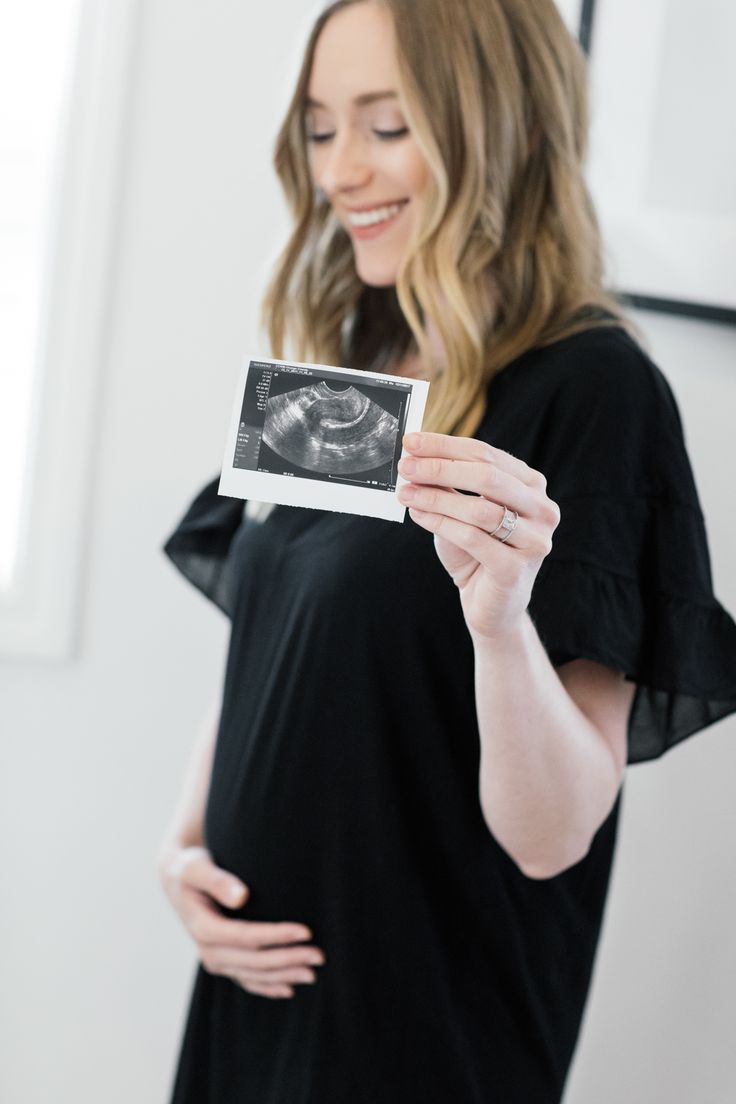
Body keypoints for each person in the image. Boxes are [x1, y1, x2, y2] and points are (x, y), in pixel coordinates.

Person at [156, 1, 736, 1100]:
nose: (340, 171)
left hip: (414, 1029)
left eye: (386, 125)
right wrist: (184, 847)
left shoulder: (595, 391)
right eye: (321, 129)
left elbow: (552, 837)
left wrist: (499, 621)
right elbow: (272, 633)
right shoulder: (359, 355)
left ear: (497, 128)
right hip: (254, 1002)